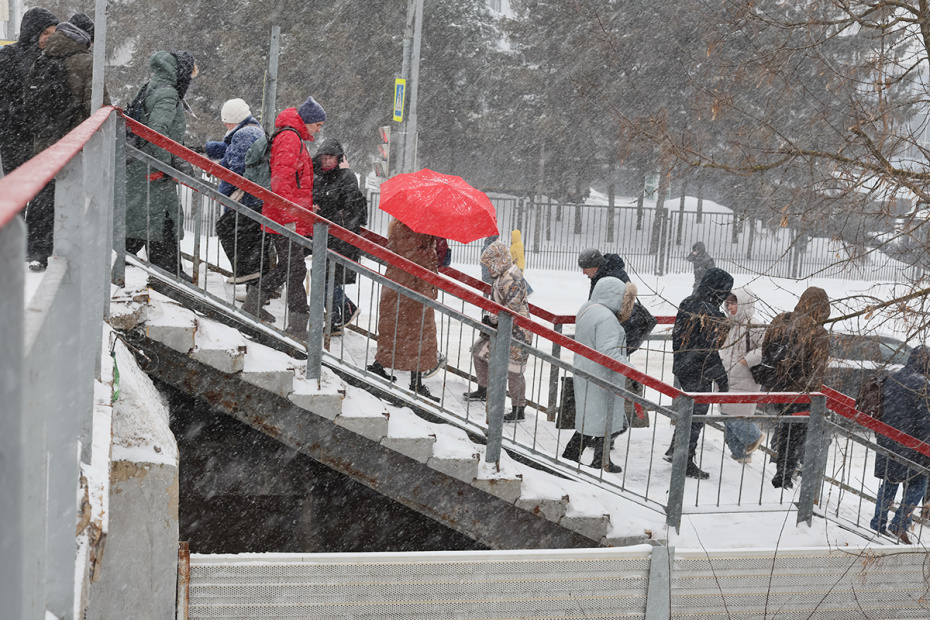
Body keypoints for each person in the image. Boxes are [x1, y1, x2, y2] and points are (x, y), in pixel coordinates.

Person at [24, 19, 108, 271]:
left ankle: (37, 250)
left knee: (43, 195)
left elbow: (29, 104)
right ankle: (68, 252)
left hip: (44, 142)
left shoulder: (42, 59)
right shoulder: (85, 62)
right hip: (74, 143)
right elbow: (98, 106)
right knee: (73, 195)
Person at [242, 96, 324, 339]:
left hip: (287, 215)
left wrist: (306, 207)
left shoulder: (292, 136)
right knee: (295, 269)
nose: (319, 129)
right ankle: (297, 326)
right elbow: (282, 179)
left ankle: (255, 303)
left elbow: (293, 182)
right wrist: (291, 213)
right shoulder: (290, 138)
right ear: (307, 121)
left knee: (290, 267)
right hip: (285, 217)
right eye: (317, 124)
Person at [125, 50, 197, 279]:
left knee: (147, 222)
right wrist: (169, 163)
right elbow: (156, 131)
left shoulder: (150, 87)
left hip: (142, 170)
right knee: (160, 222)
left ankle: (170, 271)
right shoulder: (167, 94)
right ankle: (169, 274)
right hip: (153, 172)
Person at [664, 267, 734, 479]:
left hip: (683, 366)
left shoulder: (688, 302)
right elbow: (709, 350)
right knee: (696, 415)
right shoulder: (710, 312)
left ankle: (676, 450)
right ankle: (684, 459)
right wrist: (721, 378)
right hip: (699, 370)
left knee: (689, 411)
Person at [368, 219, 445, 401]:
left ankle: (381, 366)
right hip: (410, 288)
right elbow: (413, 256)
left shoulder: (402, 226)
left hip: (404, 286)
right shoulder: (409, 228)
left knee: (401, 332)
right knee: (416, 335)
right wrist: (429, 249)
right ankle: (415, 383)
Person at [762, 286, 831, 489]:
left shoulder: (781, 320)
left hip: (776, 387)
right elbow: (817, 369)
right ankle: (784, 475)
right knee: (796, 435)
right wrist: (813, 394)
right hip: (801, 392)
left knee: (784, 429)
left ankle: (780, 467)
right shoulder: (818, 332)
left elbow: (766, 348)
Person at [560, 276, 630, 473]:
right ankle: (573, 457)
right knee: (601, 420)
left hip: (587, 370)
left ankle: (599, 459)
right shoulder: (606, 317)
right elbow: (608, 351)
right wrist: (629, 369)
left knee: (595, 419)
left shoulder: (588, 308)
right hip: (603, 376)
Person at [462, 241, 532, 422]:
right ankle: (484, 389)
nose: (487, 269)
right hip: (501, 327)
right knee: (480, 352)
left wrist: (492, 319)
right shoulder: (501, 277)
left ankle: (519, 408)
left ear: (498, 261)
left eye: (489, 265)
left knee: (514, 370)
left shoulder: (512, 278)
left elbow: (512, 308)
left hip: (518, 330)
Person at [871, 346, 930, 544]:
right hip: (913, 445)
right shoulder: (923, 385)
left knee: (890, 481)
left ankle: (878, 521)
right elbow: (925, 421)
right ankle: (899, 525)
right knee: (917, 484)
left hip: (890, 441)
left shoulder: (892, 378)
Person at [206, 98, 267, 284]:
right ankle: (256, 290)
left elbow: (238, 165)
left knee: (228, 229)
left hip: (245, 198)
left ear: (233, 119)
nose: (224, 123)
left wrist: (232, 192)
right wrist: (208, 149)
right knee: (256, 241)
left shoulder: (244, 135)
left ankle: (245, 273)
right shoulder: (251, 131)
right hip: (255, 198)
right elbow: (231, 150)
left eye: (226, 120)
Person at [312, 138, 367, 335]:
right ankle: (336, 320)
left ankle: (346, 308)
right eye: (324, 158)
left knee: (324, 277)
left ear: (339, 159)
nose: (326, 162)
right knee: (325, 277)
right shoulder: (318, 177)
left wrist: (324, 207)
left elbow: (349, 206)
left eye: (331, 158)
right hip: (326, 235)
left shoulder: (346, 177)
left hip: (341, 236)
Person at [0, 7, 58, 176]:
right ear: (33, 31)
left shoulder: (51, 58)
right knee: (17, 187)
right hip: (14, 136)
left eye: (53, 33)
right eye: (45, 32)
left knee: (42, 192)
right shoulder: (9, 56)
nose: (49, 38)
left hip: (43, 137)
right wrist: (17, 114)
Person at [719, 287, 765, 463]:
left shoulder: (753, 324)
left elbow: (765, 348)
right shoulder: (733, 325)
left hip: (744, 377)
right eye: (728, 303)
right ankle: (740, 455)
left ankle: (753, 437)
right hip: (731, 376)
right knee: (728, 413)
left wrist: (747, 360)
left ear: (743, 303)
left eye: (733, 303)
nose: (730, 307)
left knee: (731, 414)